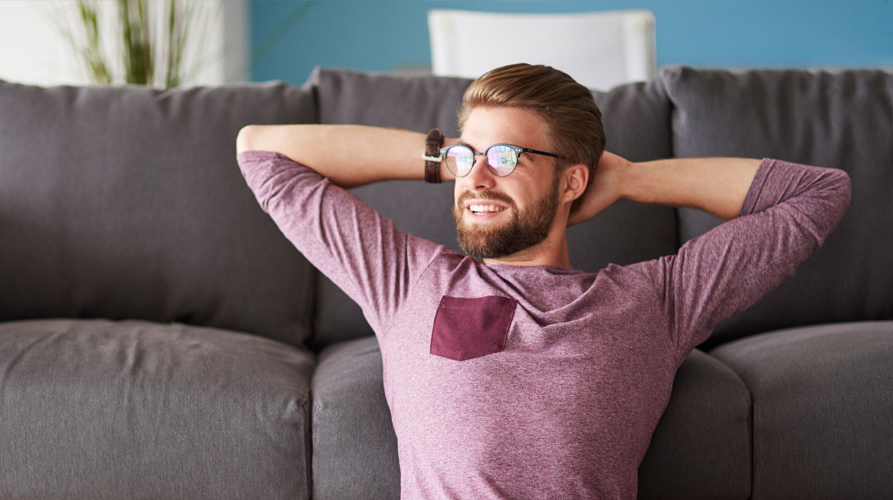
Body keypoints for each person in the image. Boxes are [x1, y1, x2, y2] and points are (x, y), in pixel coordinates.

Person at [234, 63, 851, 499]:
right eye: (466, 159)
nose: (476, 180)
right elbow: (261, 151)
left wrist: (630, 179)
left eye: (506, 159)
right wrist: (446, 154)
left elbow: (818, 193)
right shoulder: (405, 281)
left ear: (573, 181)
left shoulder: (655, 302)